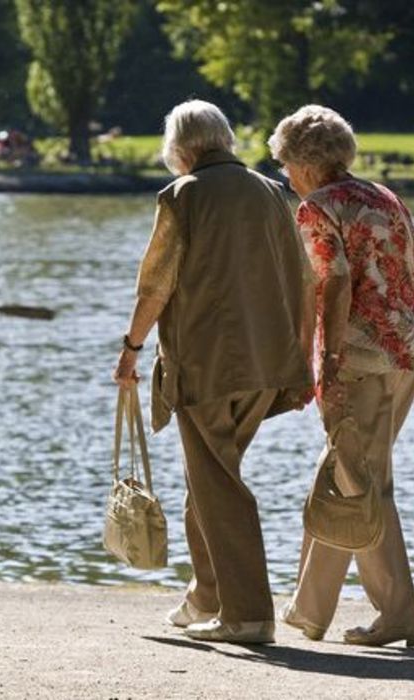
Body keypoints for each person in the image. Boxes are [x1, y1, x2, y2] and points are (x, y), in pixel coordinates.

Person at [112, 100, 315, 644]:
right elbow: (303, 280)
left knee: (219, 487)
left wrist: (131, 348)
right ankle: (206, 595)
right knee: (209, 479)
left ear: (182, 149)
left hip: (206, 365)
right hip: (267, 365)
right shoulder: (273, 192)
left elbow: (155, 285)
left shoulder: (184, 195)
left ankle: (247, 615)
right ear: (222, 139)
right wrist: (301, 361)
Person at [268, 104, 414, 647]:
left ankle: (401, 613)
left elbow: (335, 286)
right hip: (406, 356)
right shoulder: (384, 199)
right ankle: (309, 610)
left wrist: (326, 364)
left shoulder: (318, 209)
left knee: (357, 482)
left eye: (286, 166)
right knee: (350, 476)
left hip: (360, 364)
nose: (286, 177)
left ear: (306, 164)